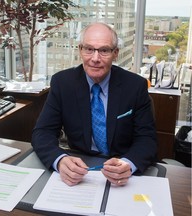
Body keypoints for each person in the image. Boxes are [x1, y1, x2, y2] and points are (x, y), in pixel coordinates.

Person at [31, 22, 157, 186]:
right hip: (81, 168)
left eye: (104, 50)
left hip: (122, 168)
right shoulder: (62, 83)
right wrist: (60, 159)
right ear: (80, 50)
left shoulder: (135, 86)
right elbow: (42, 132)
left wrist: (129, 164)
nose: (95, 58)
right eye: (89, 49)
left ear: (115, 53)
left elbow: (147, 139)